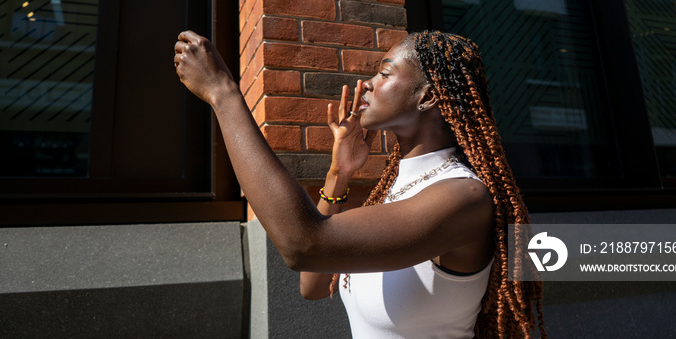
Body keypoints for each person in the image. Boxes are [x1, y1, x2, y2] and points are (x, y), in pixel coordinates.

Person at [174, 29, 545, 338]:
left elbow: (303, 245)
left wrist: (223, 93)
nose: (367, 84)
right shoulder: (395, 194)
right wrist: (339, 174)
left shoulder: (464, 197)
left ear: (428, 96)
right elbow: (313, 286)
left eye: (384, 73)